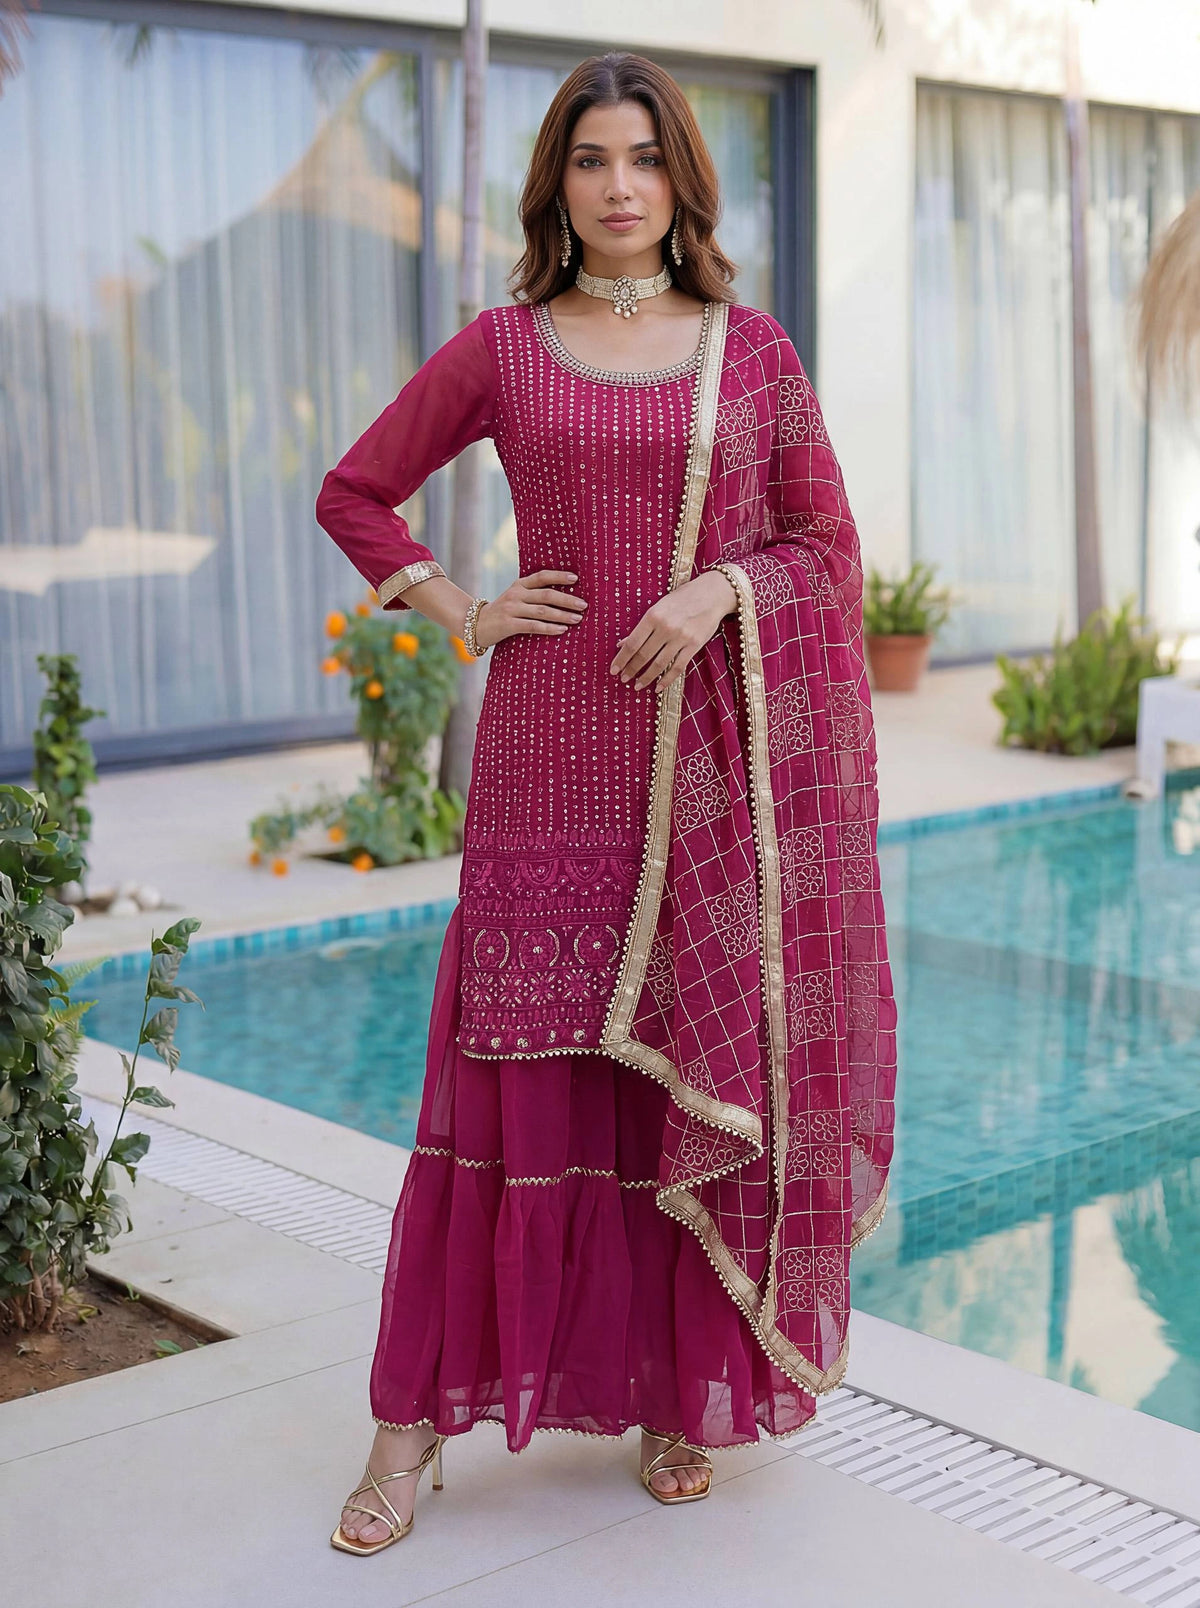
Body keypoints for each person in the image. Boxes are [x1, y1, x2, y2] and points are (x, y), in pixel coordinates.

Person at [315, 49, 897, 1555]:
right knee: (510, 1074)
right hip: (542, 755)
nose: (620, 183)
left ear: (678, 178)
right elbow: (353, 491)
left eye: (643, 156)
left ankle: (667, 1389)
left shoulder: (748, 350)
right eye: (590, 159)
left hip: (695, 777)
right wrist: (456, 603)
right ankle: (412, 1425)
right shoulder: (505, 345)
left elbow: (829, 557)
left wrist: (719, 588)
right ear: (557, 183)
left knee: (665, 1073)